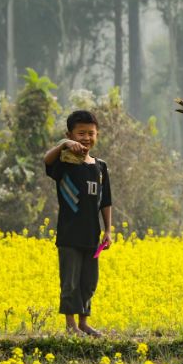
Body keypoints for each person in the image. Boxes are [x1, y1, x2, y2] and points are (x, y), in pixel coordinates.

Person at [43, 110, 112, 337]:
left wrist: (108, 230)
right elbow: (46, 160)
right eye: (81, 133)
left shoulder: (100, 167)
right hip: (69, 235)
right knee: (70, 282)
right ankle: (70, 324)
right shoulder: (65, 161)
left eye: (91, 133)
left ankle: (84, 323)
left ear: (97, 135)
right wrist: (63, 145)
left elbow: (106, 201)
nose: (86, 138)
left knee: (89, 281)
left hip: (92, 236)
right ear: (70, 135)